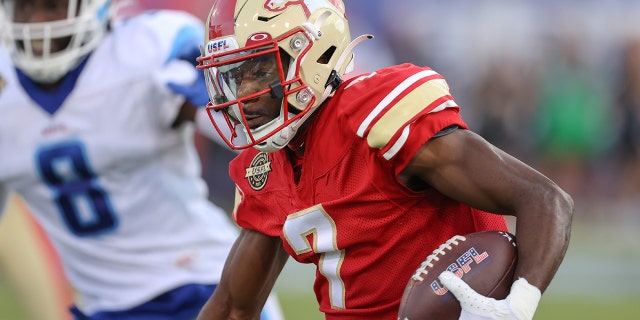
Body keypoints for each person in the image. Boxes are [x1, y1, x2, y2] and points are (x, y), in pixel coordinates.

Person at [194, 0, 574, 319]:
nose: (243, 93)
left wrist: (515, 309)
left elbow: (545, 199)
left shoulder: (375, 116)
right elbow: (232, 308)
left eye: (257, 71)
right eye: (232, 76)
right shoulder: (264, 166)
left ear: (311, 54)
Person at [0, 0, 283, 319]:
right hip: (102, 307)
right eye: (23, 8)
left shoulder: (151, 49)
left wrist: (217, 100)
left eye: (52, 7)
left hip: (201, 286)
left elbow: (258, 140)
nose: (38, 23)